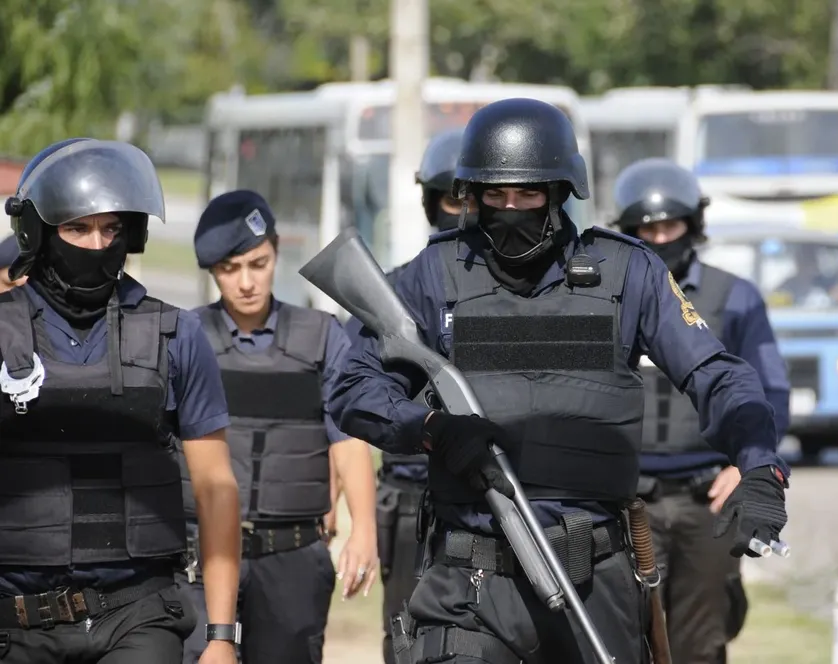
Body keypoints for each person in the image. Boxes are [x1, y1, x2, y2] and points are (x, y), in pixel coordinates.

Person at [329, 98, 791, 664]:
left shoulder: (628, 272)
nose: (510, 210)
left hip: (593, 577)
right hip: (470, 580)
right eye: (495, 196)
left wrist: (758, 463)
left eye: (527, 195)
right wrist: (429, 428)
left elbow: (716, 374)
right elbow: (353, 385)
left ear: (559, 191)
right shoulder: (434, 274)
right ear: (472, 194)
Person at [0, 138, 240, 664]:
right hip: (16, 624)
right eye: (77, 228)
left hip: (138, 614)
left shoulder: (176, 334)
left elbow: (216, 488)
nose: (97, 244)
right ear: (38, 231)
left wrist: (223, 635)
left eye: (111, 228)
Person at [181, 190, 379, 664]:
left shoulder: (322, 336)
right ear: (212, 272)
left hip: (292, 558)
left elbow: (348, 440)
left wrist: (364, 530)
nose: (247, 282)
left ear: (275, 253)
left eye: (258, 263)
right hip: (199, 556)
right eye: (230, 269)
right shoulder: (185, 336)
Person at [613, 158, 791, 664]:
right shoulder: (608, 298)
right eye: (646, 230)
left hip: (706, 498)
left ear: (693, 225)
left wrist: (745, 464)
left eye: (670, 227)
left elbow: (770, 391)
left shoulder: (735, 297)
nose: (659, 238)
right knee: (622, 638)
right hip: (627, 500)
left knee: (701, 643)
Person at [342, 128, 480, 664]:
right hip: (410, 496)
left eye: (476, 199)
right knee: (407, 642)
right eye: (452, 200)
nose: (464, 213)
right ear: (430, 203)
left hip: (490, 491)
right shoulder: (398, 291)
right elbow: (350, 393)